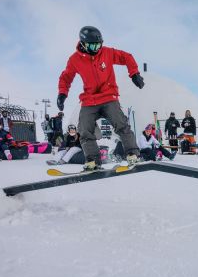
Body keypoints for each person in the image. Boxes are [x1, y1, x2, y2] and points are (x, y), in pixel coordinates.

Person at [57, 26, 144, 171]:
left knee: (121, 124)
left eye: (99, 44)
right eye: (92, 45)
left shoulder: (107, 52)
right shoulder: (74, 60)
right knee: (84, 130)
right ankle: (92, 160)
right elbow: (66, 77)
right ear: (83, 43)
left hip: (109, 97)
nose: (96, 48)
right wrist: (62, 94)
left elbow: (127, 57)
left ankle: (132, 154)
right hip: (89, 100)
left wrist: (134, 73)